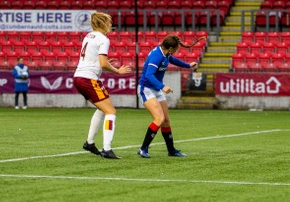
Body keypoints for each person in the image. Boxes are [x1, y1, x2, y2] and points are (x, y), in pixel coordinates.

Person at [73, 12, 132, 159]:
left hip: (79, 77)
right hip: (88, 79)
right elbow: (103, 63)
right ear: (103, 23)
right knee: (110, 112)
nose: (111, 25)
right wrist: (118, 71)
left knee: (102, 109)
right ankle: (106, 149)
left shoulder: (88, 36)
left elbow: (94, 60)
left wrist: (101, 66)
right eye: (109, 22)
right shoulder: (103, 39)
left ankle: (90, 143)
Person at [137, 34, 205, 158]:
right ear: (170, 49)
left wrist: (188, 65)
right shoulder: (156, 56)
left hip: (156, 89)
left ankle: (171, 150)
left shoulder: (165, 53)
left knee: (166, 121)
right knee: (159, 119)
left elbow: (172, 60)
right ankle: (143, 149)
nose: (176, 51)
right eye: (176, 49)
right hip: (146, 89)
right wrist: (163, 86)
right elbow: (148, 75)